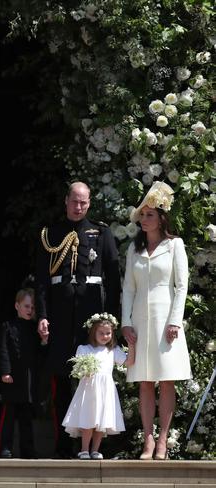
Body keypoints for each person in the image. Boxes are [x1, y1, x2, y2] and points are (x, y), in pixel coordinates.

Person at [35, 181, 120, 458]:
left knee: (92, 380)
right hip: (60, 314)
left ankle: (92, 444)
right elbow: (42, 281)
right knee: (61, 379)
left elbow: (113, 278)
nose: (79, 206)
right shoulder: (51, 234)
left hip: (91, 316)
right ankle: (62, 443)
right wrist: (43, 315)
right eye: (75, 201)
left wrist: (112, 319)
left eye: (83, 202)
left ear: (89, 203)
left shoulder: (102, 233)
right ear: (66, 201)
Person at [120, 181, 191, 460]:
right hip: (139, 320)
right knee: (144, 381)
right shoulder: (133, 249)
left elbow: (181, 285)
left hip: (165, 321)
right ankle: (148, 440)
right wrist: (125, 321)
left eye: (149, 214)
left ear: (161, 217)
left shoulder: (175, 245)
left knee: (166, 380)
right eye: (142, 215)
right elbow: (128, 288)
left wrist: (175, 320)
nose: (144, 219)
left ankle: (163, 440)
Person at [62, 313, 135, 460]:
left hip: (105, 390)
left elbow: (128, 363)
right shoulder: (84, 349)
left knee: (101, 421)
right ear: (93, 332)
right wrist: (85, 371)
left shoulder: (113, 350)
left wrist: (132, 346)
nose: (105, 336)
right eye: (101, 333)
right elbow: (78, 368)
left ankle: (95, 450)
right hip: (89, 389)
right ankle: (84, 449)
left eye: (108, 333)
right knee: (88, 419)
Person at [0, 288, 41, 459]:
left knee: (26, 417)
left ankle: (27, 449)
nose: (30, 310)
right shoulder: (7, 327)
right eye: (26, 306)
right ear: (17, 306)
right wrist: (5, 372)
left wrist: (44, 341)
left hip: (28, 379)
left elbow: (38, 354)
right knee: (8, 416)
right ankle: (5, 448)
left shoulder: (35, 329)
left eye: (32, 307)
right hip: (12, 378)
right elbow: (3, 351)